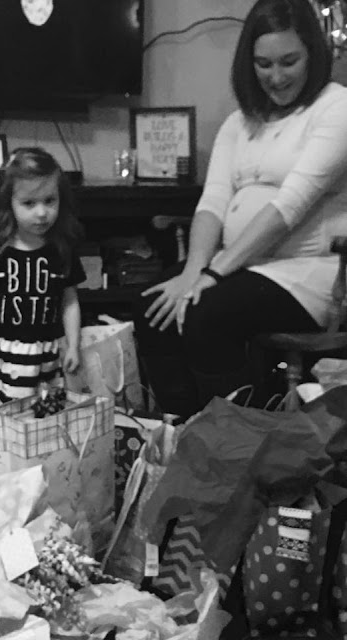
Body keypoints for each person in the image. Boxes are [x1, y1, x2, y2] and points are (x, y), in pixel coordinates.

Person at [133, 0, 347, 420]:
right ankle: (185, 426)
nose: (276, 76)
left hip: (311, 274)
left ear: (313, 54)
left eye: (289, 61)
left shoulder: (337, 107)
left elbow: (290, 206)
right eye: (264, 64)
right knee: (151, 305)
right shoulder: (238, 122)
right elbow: (212, 201)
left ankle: (238, 435)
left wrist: (212, 275)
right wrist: (193, 271)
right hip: (242, 268)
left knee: (208, 312)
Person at [0, 146, 86, 487]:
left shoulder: (61, 250)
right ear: (8, 203)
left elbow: (69, 300)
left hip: (37, 361)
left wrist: (73, 345)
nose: (42, 213)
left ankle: (14, 489)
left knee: (28, 432)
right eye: (29, 203)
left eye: (49, 201)